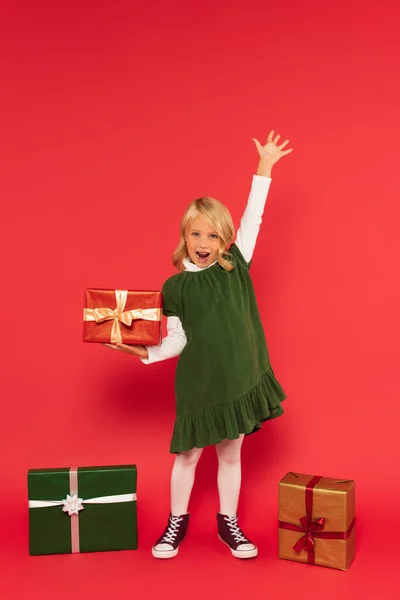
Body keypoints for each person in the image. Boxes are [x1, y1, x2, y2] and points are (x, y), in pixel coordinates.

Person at [106, 130, 293, 559]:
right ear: (184, 237)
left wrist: (265, 166)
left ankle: (230, 524)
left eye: (212, 235)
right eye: (196, 235)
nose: (204, 243)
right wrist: (140, 352)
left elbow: (255, 216)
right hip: (198, 384)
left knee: (231, 454)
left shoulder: (237, 264)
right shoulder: (174, 288)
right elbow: (176, 341)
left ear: (224, 238)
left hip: (239, 378)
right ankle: (177, 522)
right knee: (187, 457)